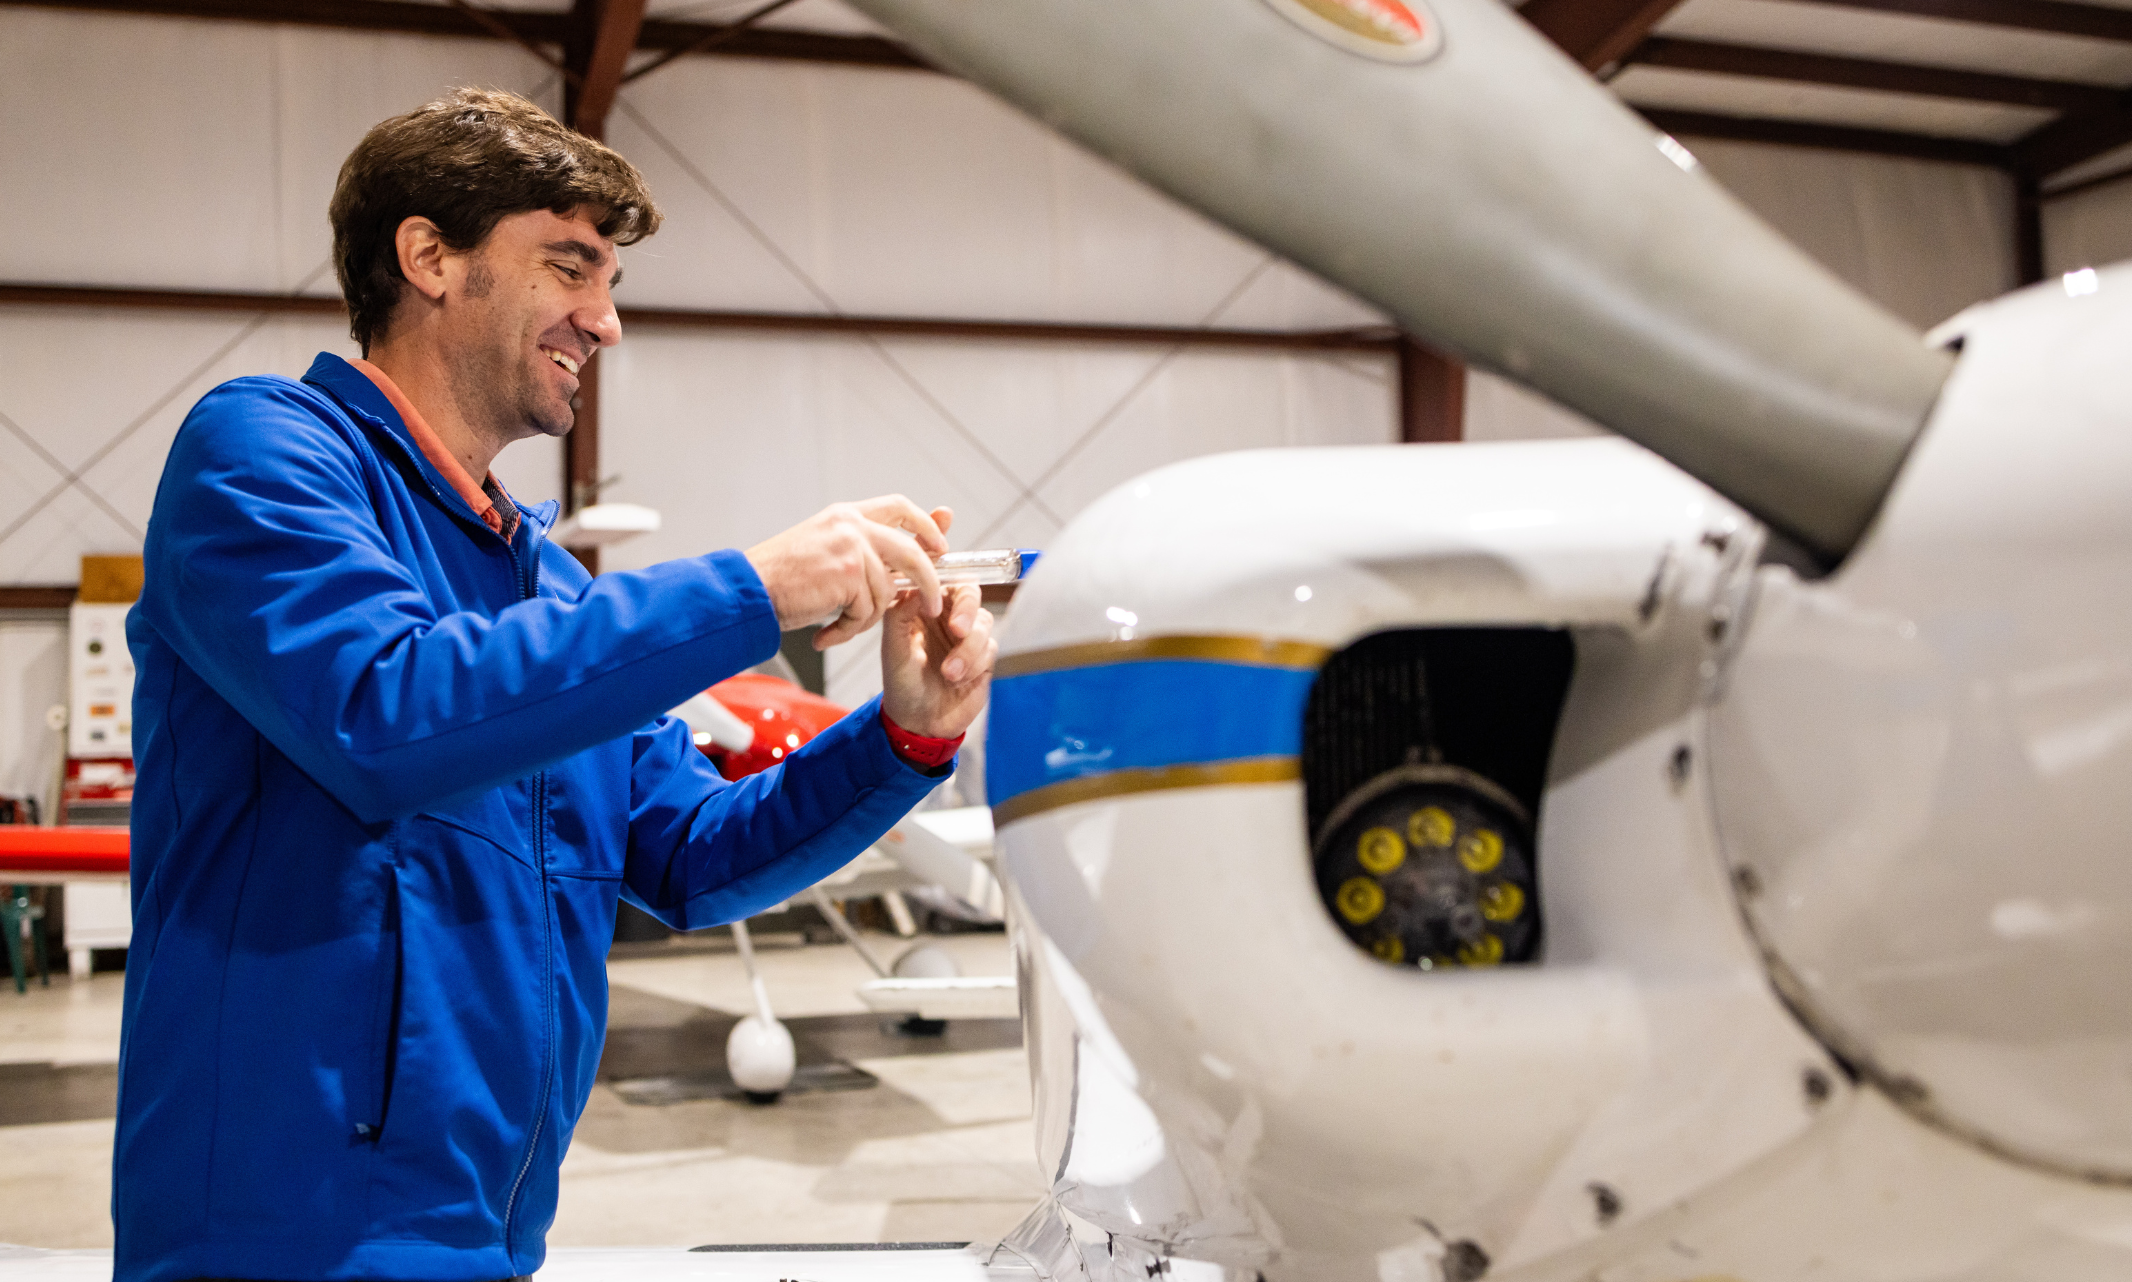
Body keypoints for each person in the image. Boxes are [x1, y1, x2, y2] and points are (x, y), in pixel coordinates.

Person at [114, 87, 995, 1282]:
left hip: (494, 1241)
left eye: (612, 282)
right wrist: (749, 587)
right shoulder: (262, 453)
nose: (604, 321)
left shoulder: (557, 597)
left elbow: (690, 854)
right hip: (280, 1248)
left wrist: (903, 734)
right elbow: (385, 711)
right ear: (427, 255)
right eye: (571, 267)